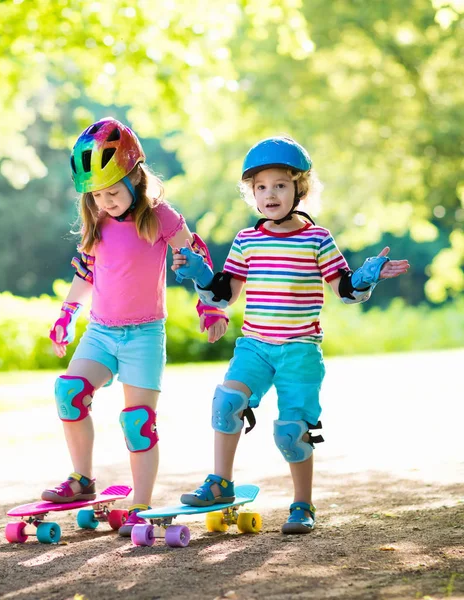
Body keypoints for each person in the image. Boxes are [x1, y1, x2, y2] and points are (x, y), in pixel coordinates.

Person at [172, 136, 410, 534]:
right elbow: (224, 294)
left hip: (300, 350)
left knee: (291, 431)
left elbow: (344, 290)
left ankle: (303, 504)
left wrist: (368, 275)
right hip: (255, 347)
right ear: (252, 193)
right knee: (226, 401)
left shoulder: (317, 239)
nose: (269, 194)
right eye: (260, 187)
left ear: (300, 188)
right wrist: (198, 272)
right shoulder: (247, 241)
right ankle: (220, 483)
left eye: (280, 185)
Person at [42, 117, 228, 537]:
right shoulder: (98, 222)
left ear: (135, 176)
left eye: (113, 191)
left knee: (138, 421)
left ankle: (141, 505)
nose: (105, 201)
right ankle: (81, 480)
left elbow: (195, 256)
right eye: (97, 194)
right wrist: (67, 314)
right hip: (101, 332)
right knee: (69, 392)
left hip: (144, 335)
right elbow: (86, 273)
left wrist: (209, 304)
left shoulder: (160, 217)